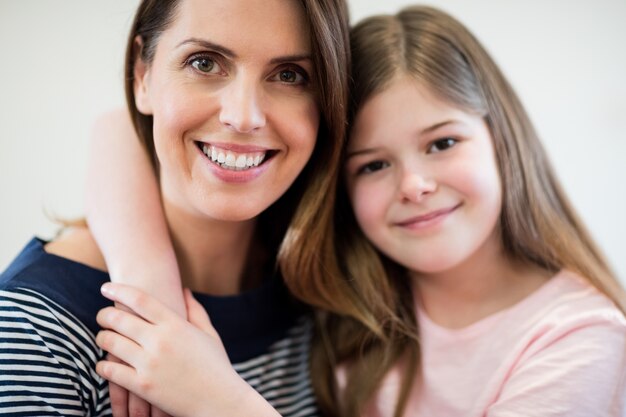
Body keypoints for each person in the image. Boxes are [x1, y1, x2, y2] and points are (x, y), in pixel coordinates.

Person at [90, 5, 626, 417]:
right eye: (372, 166)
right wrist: (149, 286)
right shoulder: (345, 292)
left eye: (442, 144)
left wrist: (221, 401)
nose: (415, 185)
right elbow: (118, 129)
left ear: (502, 140)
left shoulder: (578, 336)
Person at [0, 0, 352, 415]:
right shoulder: (36, 327)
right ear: (141, 75)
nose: (243, 116)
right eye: (204, 63)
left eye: (290, 75)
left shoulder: (333, 302)